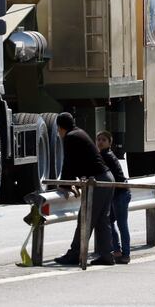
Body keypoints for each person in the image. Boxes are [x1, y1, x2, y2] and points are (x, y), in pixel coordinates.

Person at [53, 113, 116, 266]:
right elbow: (79, 162)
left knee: (85, 218)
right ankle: (107, 254)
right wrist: (72, 182)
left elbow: (68, 164)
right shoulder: (79, 133)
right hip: (107, 178)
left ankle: (75, 254)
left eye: (58, 130)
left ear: (61, 128)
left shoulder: (70, 137)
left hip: (98, 181)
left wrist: (65, 185)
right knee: (101, 219)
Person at [96, 130, 131, 265]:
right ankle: (116, 250)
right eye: (98, 139)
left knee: (122, 224)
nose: (100, 142)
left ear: (109, 143)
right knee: (109, 222)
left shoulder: (107, 156)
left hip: (121, 194)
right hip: (113, 194)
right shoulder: (103, 155)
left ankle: (126, 254)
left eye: (104, 140)